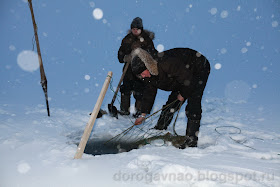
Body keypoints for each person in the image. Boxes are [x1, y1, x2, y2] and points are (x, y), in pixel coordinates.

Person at [130, 47, 210, 148]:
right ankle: (160, 128)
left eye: (142, 73)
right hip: (180, 75)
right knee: (173, 101)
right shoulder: (148, 75)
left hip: (198, 67)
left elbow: (188, 79)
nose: (142, 76)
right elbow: (149, 92)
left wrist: (184, 94)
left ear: (147, 66)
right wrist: (143, 114)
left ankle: (191, 141)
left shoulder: (167, 64)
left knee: (193, 103)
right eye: (140, 75)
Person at [118, 17, 158, 117]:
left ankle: (139, 110)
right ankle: (124, 110)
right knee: (125, 89)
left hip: (141, 71)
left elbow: (153, 54)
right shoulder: (127, 39)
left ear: (141, 29)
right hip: (128, 71)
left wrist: (143, 58)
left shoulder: (147, 40)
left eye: (137, 29)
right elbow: (120, 53)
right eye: (133, 29)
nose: (135, 31)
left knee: (139, 91)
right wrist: (124, 57)